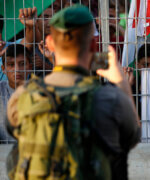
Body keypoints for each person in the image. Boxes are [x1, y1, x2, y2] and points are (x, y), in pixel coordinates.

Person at [7, 5, 140, 180]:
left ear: (49, 44)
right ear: (93, 45)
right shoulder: (111, 99)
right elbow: (133, 135)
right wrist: (121, 83)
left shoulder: (22, 96)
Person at [0, 44, 32, 142]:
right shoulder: (0, 89)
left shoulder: (39, 91)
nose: (17, 69)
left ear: (30, 67)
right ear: (3, 69)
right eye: (11, 65)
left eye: (22, 63)